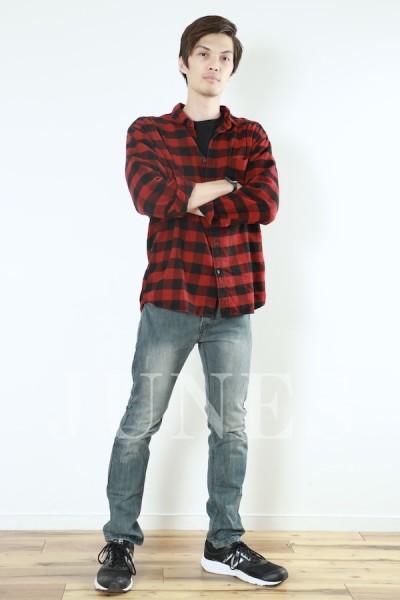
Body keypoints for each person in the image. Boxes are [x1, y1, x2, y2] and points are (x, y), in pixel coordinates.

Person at [94, 14, 288, 593]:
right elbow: (148, 195)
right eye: (203, 53)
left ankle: (223, 544)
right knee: (140, 423)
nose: (214, 64)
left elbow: (266, 203)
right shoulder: (149, 131)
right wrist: (229, 185)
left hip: (233, 305)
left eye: (224, 57)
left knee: (232, 429)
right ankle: (120, 541)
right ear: (184, 62)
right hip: (170, 298)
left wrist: (190, 197)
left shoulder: (250, 136)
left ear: (232, 68)